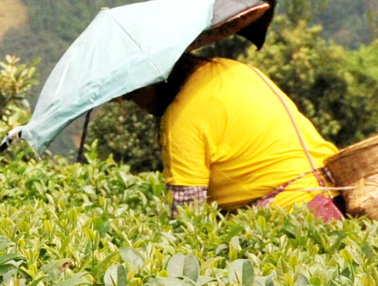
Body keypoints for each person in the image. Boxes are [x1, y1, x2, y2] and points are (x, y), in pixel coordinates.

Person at [123, 53, 344, 221]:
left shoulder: (181, 117)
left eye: (133, 95)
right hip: (335, 190)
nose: (139, 105)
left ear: (151, 83)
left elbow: (188, 215)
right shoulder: (235, 69)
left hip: (291, 213)